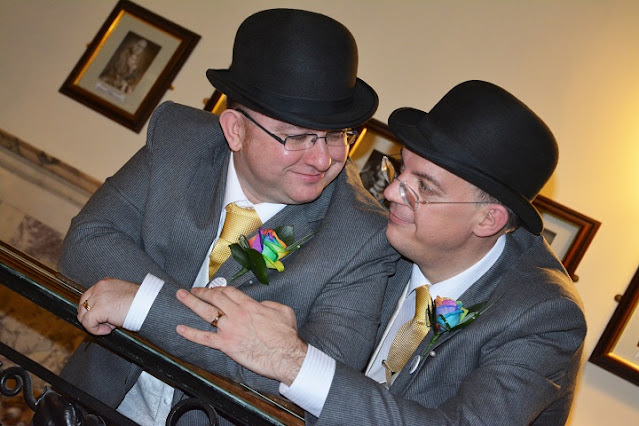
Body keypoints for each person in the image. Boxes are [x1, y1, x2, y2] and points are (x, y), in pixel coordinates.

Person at [176, 80, 588, 425]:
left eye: (423, 187)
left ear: (489, 220)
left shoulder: (544, 318)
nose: (391, 192)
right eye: (400, 169)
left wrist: (295, 361)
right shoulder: (375, 242)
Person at [59, 8, 399, 425]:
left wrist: (143, 304)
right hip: (92, 405)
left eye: (336, 135)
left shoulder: (363, 235)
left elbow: (314, 378)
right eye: (296, 137)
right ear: (235, 129)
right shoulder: (178, 140)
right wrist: (246, 339)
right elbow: (86, 242)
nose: (323, 157)